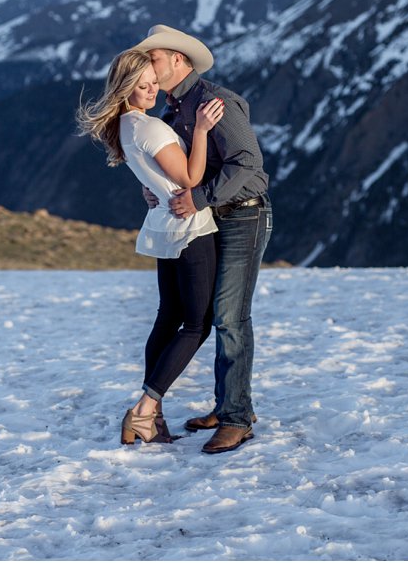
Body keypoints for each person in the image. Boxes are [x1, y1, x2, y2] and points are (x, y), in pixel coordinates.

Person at [133, 25, 272, 455]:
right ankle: (228, 405)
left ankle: (236, 419)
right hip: (210, 218)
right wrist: (155, 187)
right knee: (212, 313)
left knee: (230, 316)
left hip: (244, 216)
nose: (147, 69)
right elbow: (181, 168)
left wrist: (199, 197)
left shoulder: (216, 102)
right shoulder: (173, 112)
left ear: (178, 59)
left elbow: (250, 165)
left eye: (152, 59)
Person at [76, 48, 225, 445]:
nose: (152, 91)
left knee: (167, 316)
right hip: (190, 227)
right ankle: (144, 410)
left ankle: (152, 416)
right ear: (125, 89)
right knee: (196, 324)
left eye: (154, 82)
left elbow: (153, 173)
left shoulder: (125, 126)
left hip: (163, 226)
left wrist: (154, 185)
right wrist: (201, 131)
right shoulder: (154, 129)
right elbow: (191, 178)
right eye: (142, 86)